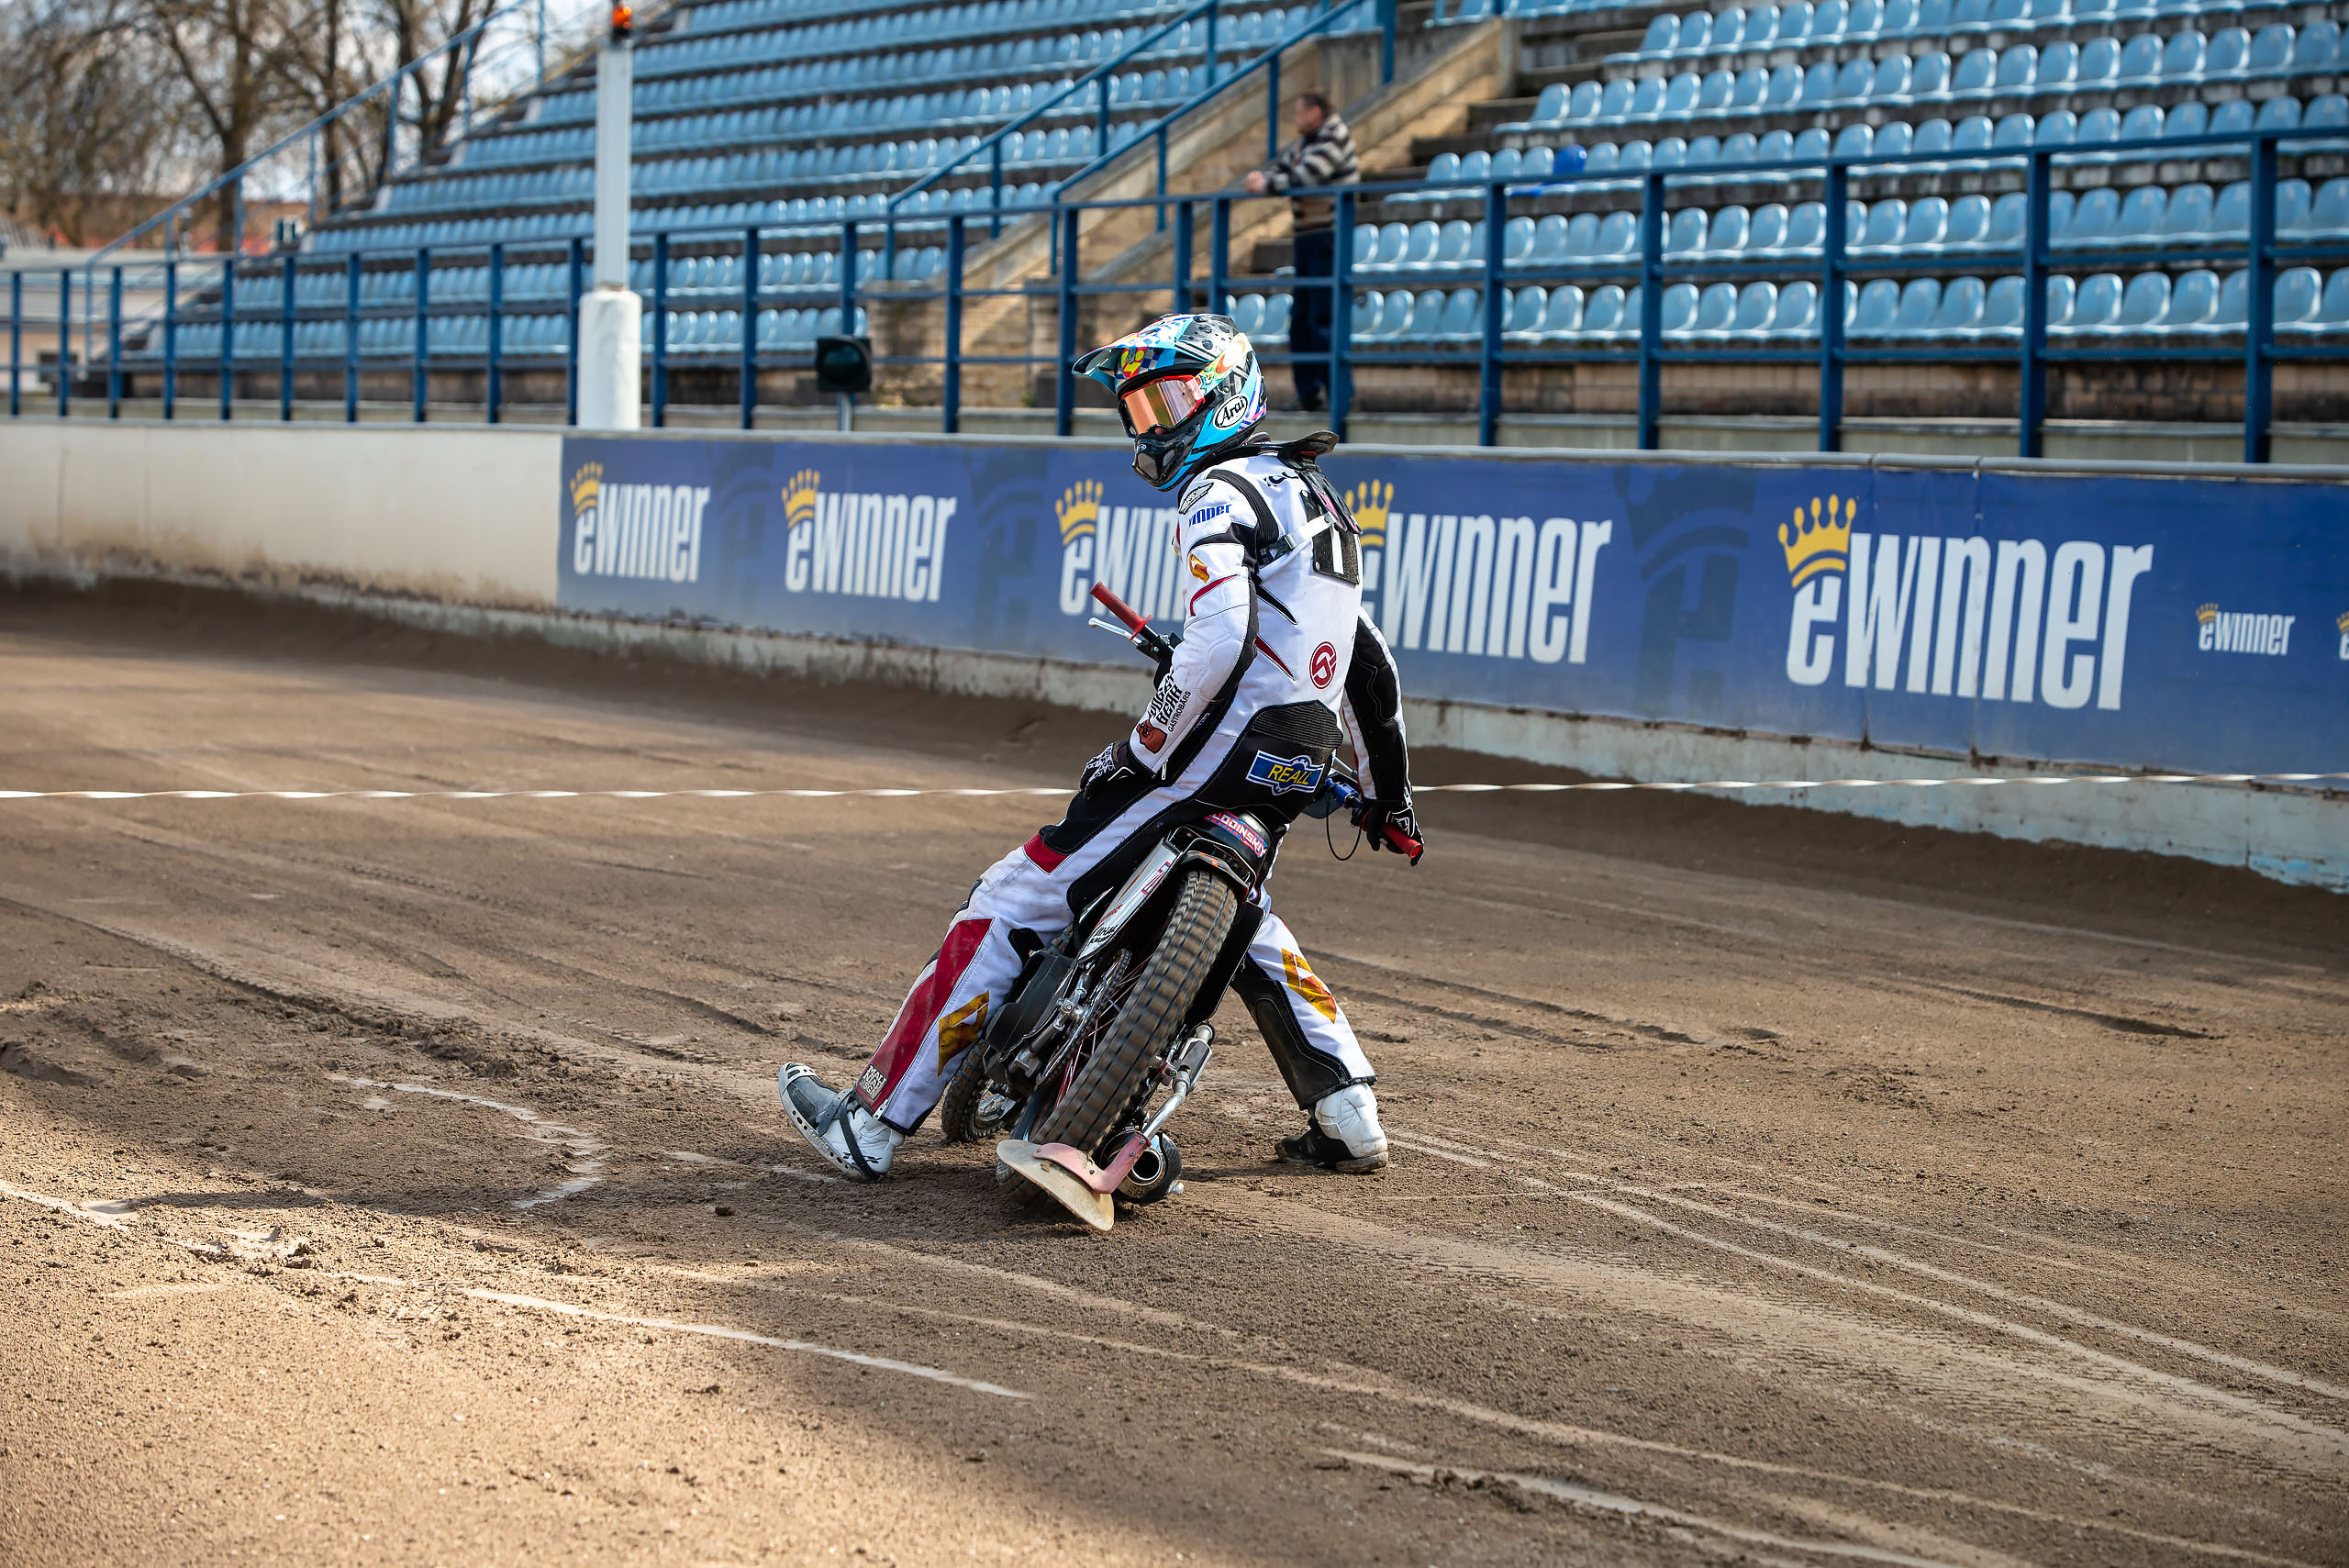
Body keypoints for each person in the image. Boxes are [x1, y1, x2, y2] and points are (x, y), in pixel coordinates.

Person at [778, 313, 1420, 1184]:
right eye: (1141, 408)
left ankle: (873, 1122)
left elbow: (1216, 638)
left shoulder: (1218, 492)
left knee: (1018, 892)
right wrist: (1390, 799)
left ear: (1230, 391)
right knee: (1247, 918)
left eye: (1172, 400)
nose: (1155, 424)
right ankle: (1348, 1109)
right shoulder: (1314, 495)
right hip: (1297, 758)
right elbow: (1370, 666)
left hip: (1214, 747)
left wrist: (1145, 744)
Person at [1244, 91, 1358, 413]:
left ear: (1315, 113)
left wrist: (1266, 184)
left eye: (1299, 113)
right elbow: (1283, 167)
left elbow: (1306, 176)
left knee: (1323, 316)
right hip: (1308, 236)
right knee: (1302, 321)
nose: (1296, 120)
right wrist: (1269, 179)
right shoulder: (1307, 142)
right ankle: (1309, 393)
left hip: (1330, 236)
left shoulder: (1333, 136)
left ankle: (1339, 396)